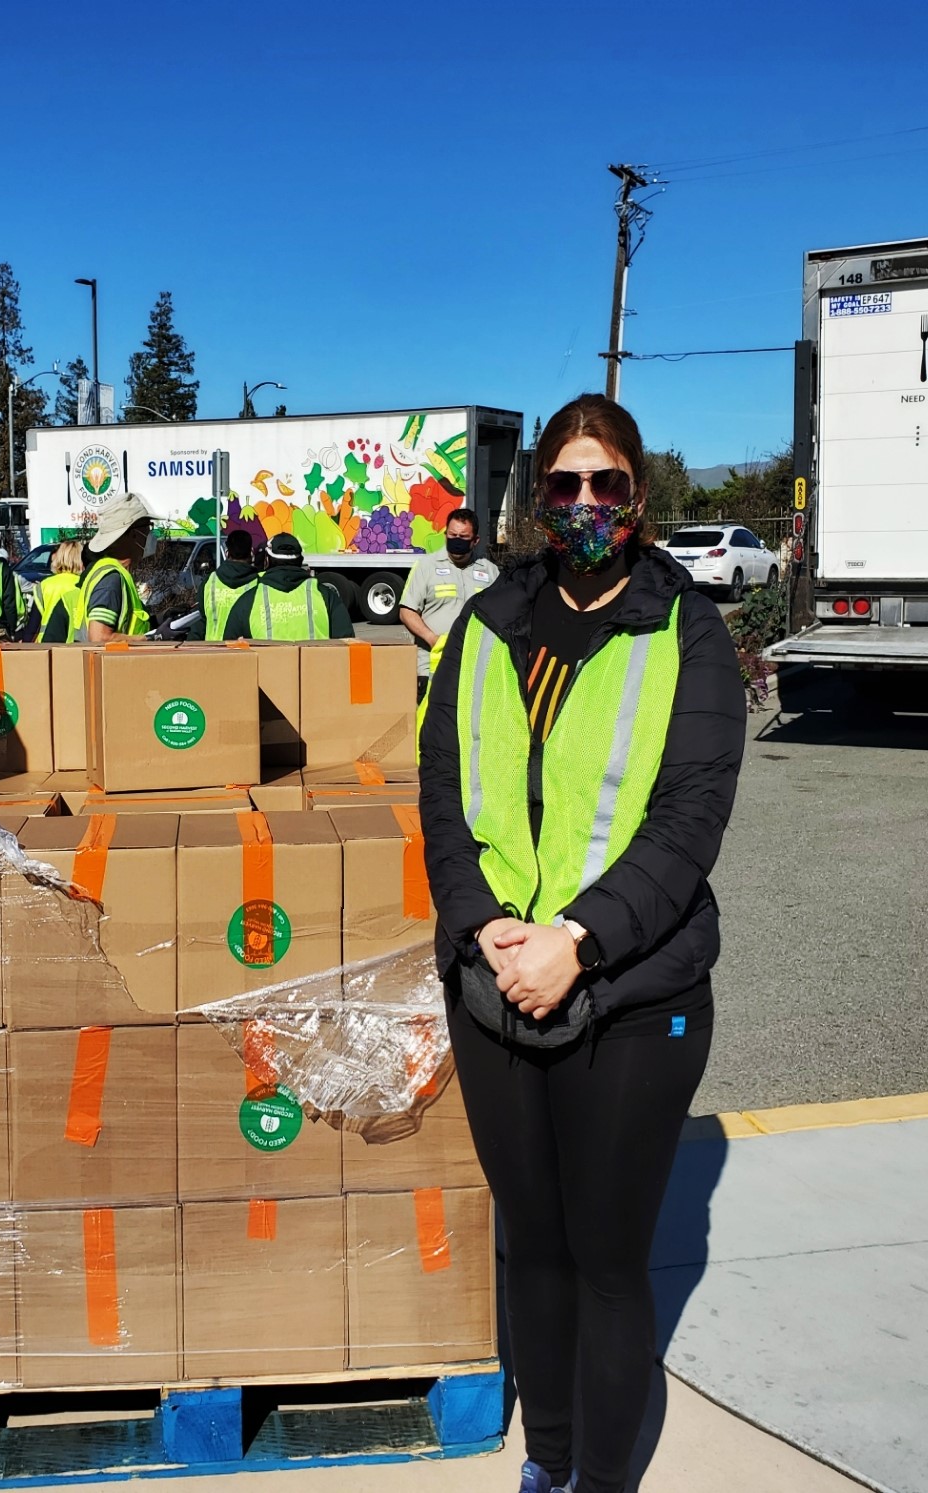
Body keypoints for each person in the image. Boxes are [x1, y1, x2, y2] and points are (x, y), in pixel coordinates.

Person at [418, 393, 745, 1493]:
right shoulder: (481, 623)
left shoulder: (686, 631)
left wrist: (577, 938)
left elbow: (688, 815)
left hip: (632, 989)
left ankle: (599, 1481)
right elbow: (441, 787)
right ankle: (548, 1460)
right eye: (564, 484)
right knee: (533, 1243)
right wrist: (480, 923)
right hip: (493, 973)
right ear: (535, 499)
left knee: (605, 1260)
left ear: (638, 497)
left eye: (606, 484)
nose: (585, 502)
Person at [398, 506, 499, 698]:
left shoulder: (490, 572)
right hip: (433, 665)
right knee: (430, 725)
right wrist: (432, 639)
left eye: (463, 537)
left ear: (475, 541)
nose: (457, 541)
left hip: (475, 667)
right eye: (452, 535)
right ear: (445, 535)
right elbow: (406, 611)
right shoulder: (426, 566)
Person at [222, 531, 354, 640]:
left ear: (267, 561)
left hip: (267, 672)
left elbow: (231, 652)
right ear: (300, 561)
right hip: (316, 672)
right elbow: (346, 643)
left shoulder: (248, 601)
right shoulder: (326, 596)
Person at [75, 492, 157, 641]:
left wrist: (160, 621)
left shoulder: (112, 574)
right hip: (107, 664)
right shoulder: (111, 580)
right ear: (133, 534)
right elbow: (99, 637)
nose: (150, 533)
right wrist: (152, 639)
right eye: (148, 526)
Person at [190, 529, 261, 641]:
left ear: (227, 553)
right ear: (251, 553)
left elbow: (198, 622)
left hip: (213, 652)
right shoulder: (259, 583)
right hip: (246, 653)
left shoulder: (210, 582)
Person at [34, 540, 85, 643]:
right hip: (75, 644)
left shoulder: (44, 585)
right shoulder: (84, 584)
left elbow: (33, 624)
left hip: (46, 646)